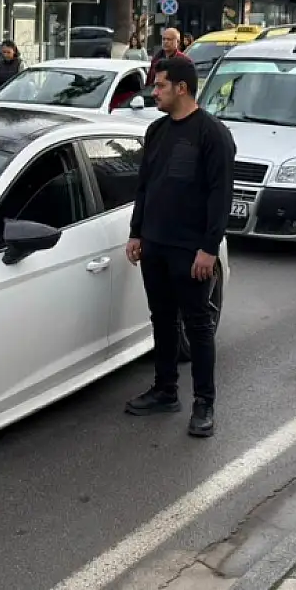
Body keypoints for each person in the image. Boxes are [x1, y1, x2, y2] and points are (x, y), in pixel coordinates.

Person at [124, 55, 235, 439]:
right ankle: (165, 390)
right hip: (154, 244)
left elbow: (221, 196)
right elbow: (144, 186)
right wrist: (136, 232)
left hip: (190, 251)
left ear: (182, 88)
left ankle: (204, 403)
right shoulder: (156, 131)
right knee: (162, 319)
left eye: (160, 85)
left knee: (198, 326)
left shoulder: (212, 134)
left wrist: (209, 248)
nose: (154, 91)